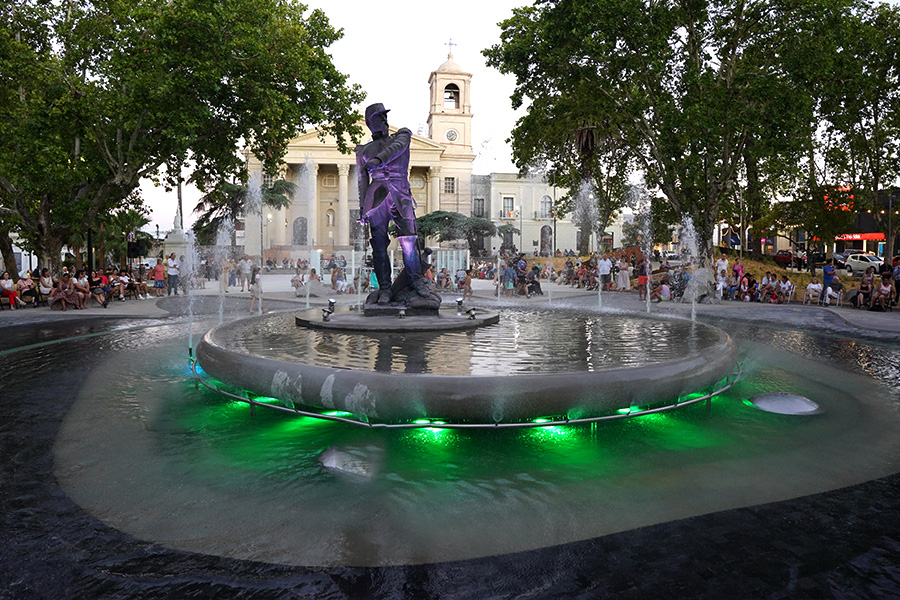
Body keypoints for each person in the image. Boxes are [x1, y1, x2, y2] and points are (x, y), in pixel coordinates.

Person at [356, 102, 429, 304]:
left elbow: (396, 149)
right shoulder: (362, 151)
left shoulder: (402, 135)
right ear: (370, 123)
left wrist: (378, 160)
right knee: (378, 246)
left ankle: (415, 281)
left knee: (409, 241)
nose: (385, 121)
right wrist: (363, 209)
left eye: (385, 116)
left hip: (400, 193)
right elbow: (362, 182)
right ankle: (385, 288)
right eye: (379, 117)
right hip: (376, 196)